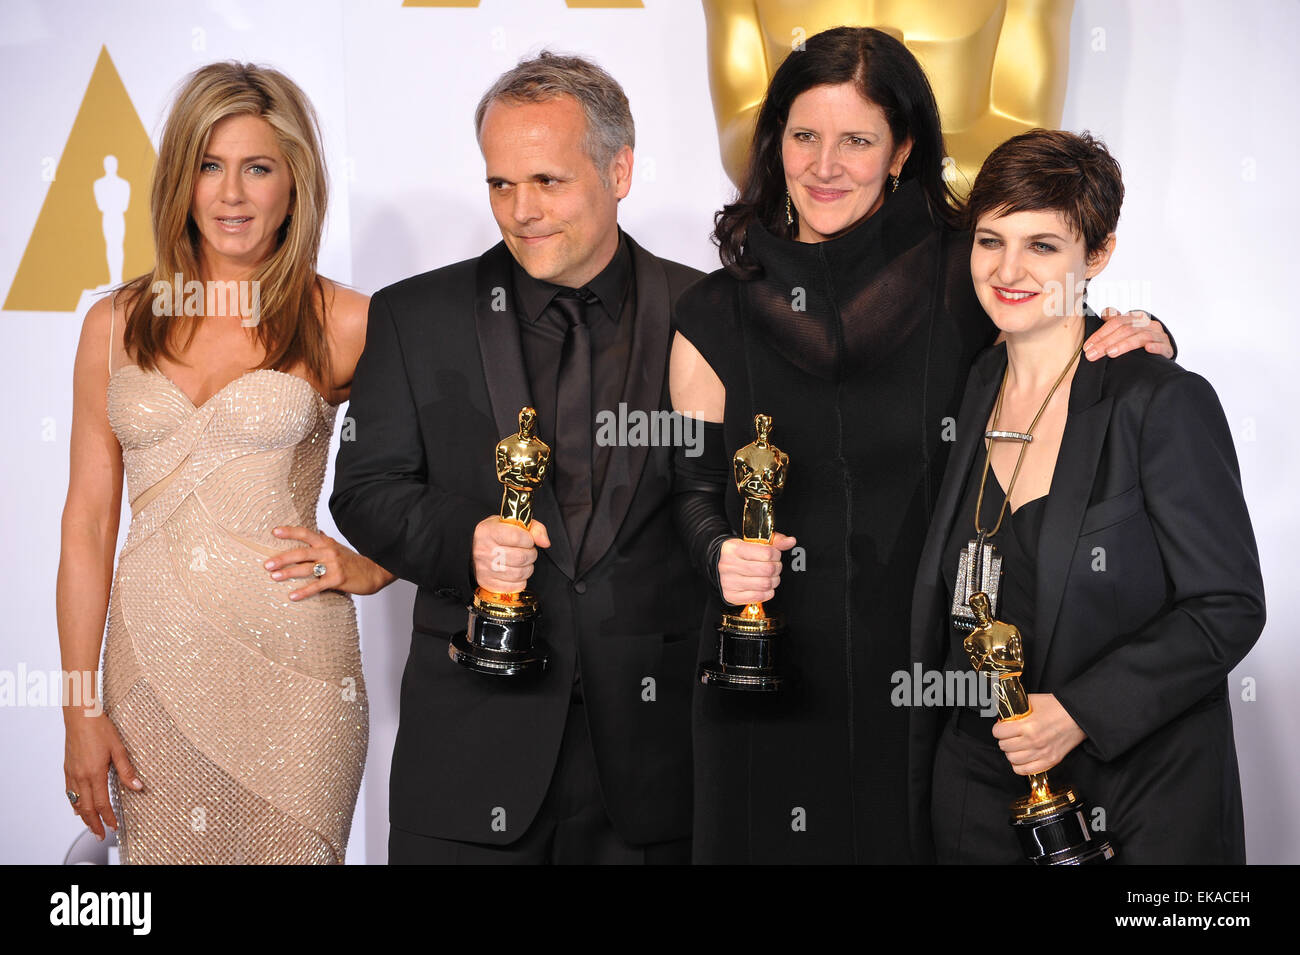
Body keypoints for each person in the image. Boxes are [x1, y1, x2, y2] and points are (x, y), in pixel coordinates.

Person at [669, 26, 1172, 863]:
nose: (824, 164)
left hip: (933, 683)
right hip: (762, 676)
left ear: (901, 150)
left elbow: (1065, 351)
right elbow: (688, 490)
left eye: (856, 139)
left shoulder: (970, 277)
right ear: (775, 143)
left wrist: (1148, 332)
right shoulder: (712, 312)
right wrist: (719, 550)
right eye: (803, 135)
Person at [329, 52, 705, 864]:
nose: (521, 211)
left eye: (547, 181)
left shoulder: (709, 313)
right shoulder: (413, 317)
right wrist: (466, 541)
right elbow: (363, 490)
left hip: (658, 773)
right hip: (470, 761)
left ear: (620, 169)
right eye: (500, 184)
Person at [57, 62, 390, 864]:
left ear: (293, 184)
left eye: (258, 167)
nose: (231, 194)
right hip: (149, 676)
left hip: (299, 678)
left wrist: (373, 564)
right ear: (180, 180)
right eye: (210, 166)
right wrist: (78, 708)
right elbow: (88, 523)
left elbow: (438, 471)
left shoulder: (345, 319)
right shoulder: (114, 324)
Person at [909, 128, 1265, 863]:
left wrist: (1078, 712)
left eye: (1043, 246)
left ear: (1096, 256)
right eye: (989, 240)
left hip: (1136, 802)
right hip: (978, 794)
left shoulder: (1159, 401)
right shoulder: (969, 384)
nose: (1009, 269)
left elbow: (1227, 606)